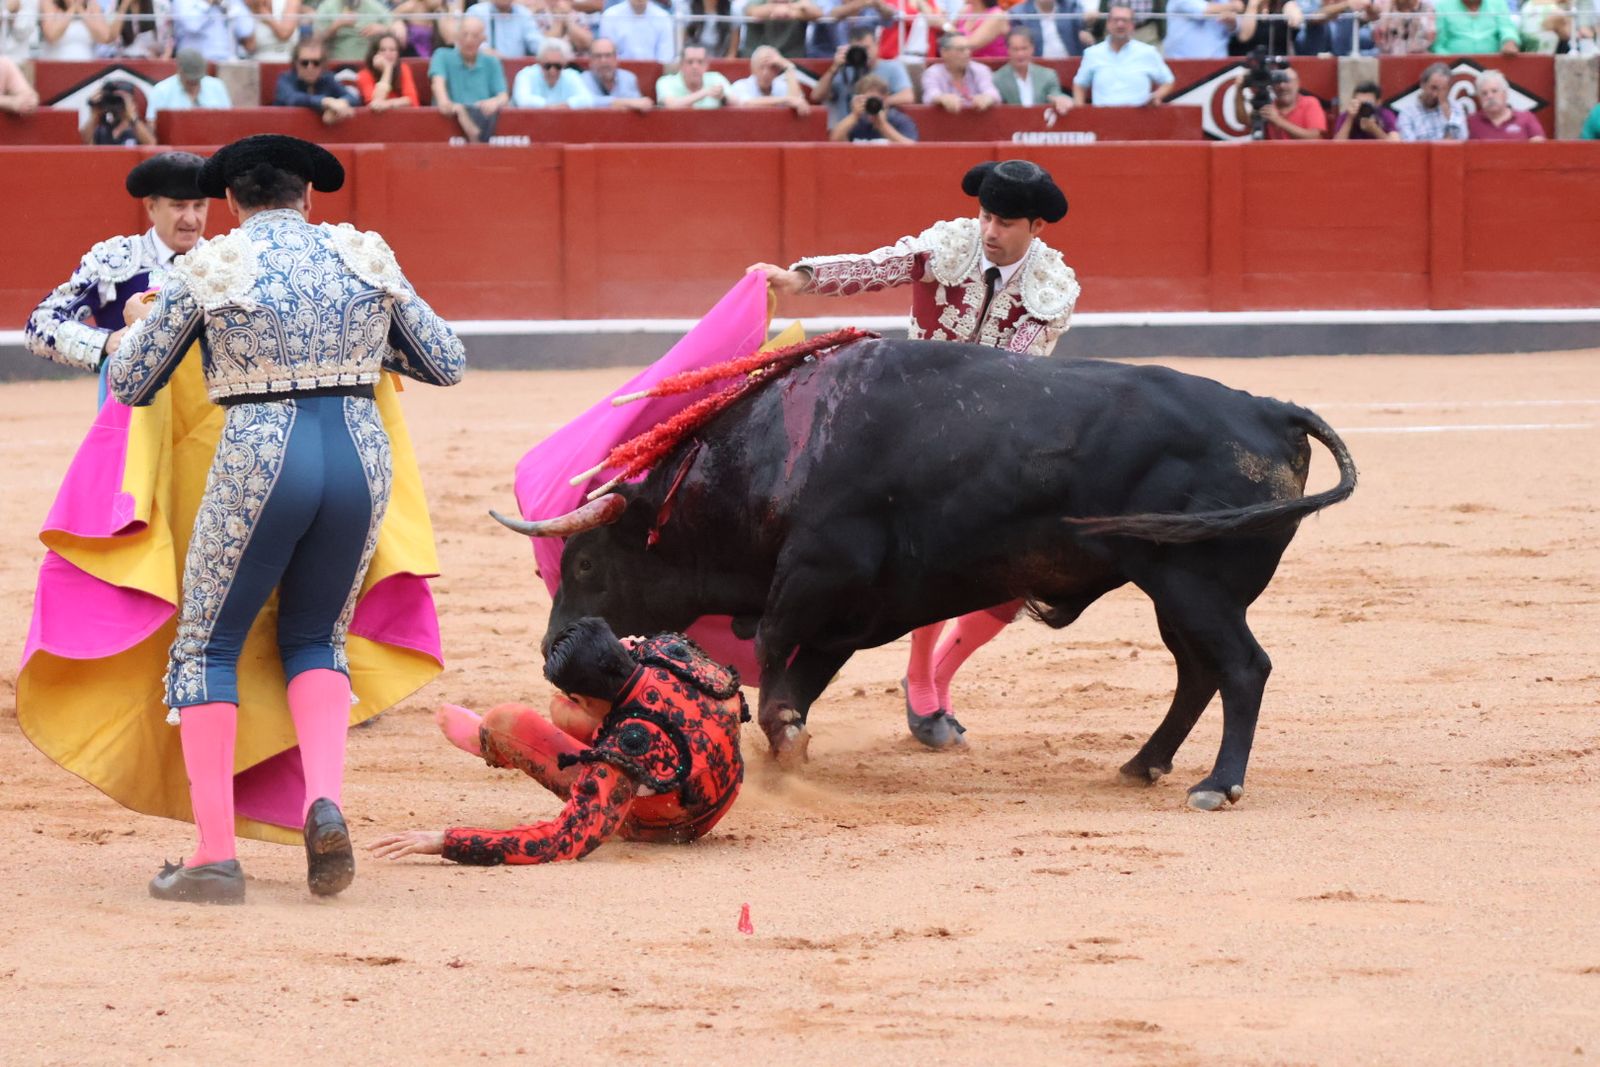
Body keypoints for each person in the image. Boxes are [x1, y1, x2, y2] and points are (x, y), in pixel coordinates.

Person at [107, 134, 465, 904]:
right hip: (360, 454)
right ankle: (323, 801)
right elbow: (445, 361)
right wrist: (359, 338)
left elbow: (133, 380)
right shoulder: (363, 255)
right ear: (310, 195)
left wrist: (142, 320)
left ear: (232, 201)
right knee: (316, 635)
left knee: (207, 645)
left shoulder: (212, 264)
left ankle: (214, 855)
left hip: (261, 454)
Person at [747, 160, 1079, 748]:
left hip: (992, 433)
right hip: (905, 424)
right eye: (985, 216)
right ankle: (922, 681)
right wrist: (798, 278)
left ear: (1037, 227)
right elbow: (876, 266)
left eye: (1004, 223)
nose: (989, 231)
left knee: (1017, 573)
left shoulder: (1052, 288)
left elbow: (1015, 373)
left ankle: (935, 676)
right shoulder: (948, 246)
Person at [368, 620, 748, 865]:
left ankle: (492, 742)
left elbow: (563, 840)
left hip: (670, 825)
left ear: (585, 698)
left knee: (509, 722)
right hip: (724, 782)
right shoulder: (667, 650)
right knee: (562, 710)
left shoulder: (627, 747)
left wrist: (448, 841)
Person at [25, 152, 207, 403]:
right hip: (132, 412)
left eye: (199, 206)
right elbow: (40, 323)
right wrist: (104, 342)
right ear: (151, 207)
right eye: (179, 206)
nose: (191, 218)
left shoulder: (221, 262)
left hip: (204, 416)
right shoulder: (117, 260)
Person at [809, 24, 913, 125]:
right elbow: (816, 96)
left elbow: (907, 96)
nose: (864, 53)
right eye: (858, 50)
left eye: (867, 48)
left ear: (877, 45)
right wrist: (834, 68)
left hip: (879, 127)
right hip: (847, 130)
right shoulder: (845, 70)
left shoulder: (892, 67)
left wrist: (877, 102)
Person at [1071, 4, 1172, 107]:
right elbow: (1079, 84)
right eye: (1116, 20)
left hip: (1138, 115)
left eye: (1125, 20)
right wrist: (1080, 112)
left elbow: (1168, 81)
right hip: (1103, 115)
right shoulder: (1093, 53)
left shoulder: (1148, 52)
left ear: (1132, 25)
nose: (1120, 24)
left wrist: (1156, 96)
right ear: (1108, 23)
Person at [429, 15, 508, 139]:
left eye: (475, 36)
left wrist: (495, 102)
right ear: (457, 36)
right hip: (449, 126)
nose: (469, 40)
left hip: (485, 121)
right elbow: (440, 93)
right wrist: (455, 108)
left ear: (483, 39)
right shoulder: (441, 56)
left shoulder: (492, 62)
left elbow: (503, 96)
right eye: (464, 35)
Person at [274, 36, 361, 122]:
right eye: (304, 63)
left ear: (323, 64)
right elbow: (292, 99)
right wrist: (326, 102)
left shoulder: (327, 79)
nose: (310, 67)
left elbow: (353, 98)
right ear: (296, 63)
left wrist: (337, 106)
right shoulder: (285, 79)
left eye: (316, 63)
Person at [1230, 62, 1325, 138]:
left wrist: (1278, 120)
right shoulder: (1267, 105)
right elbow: (1243, 120)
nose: (1282, 86)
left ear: (1297, 83)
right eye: (1278, 81)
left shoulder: (1310, 103)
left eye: (1287, 81)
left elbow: (1314, 137)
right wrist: (1239, 90)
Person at [993, 28, 1072, 112]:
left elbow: (1055, 94)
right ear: (1008, 50)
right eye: (1015, 49)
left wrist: (1062, 100)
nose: (1020, 54)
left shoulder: (1048, 75)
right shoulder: (998, 78)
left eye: (1024, 48)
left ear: (1032, 49)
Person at [145, 46, 232, 120]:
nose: (194, 81)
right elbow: (153, 124)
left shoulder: (217, 86)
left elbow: (228, 119)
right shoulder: (161, 90)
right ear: (179, 69)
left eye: (197, 78)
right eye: (190, 78)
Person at [921, 33, 1001, 112]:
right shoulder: (933, 73)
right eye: (960, 50)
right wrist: (942, 98)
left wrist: (987, 98)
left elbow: (992, 92)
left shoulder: (980, 69)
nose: (967, 53)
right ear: (944, 52)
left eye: (968, 49)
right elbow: (930, 95)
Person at [829, 71, 917, 140]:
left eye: (876, 100)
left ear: (885, 98)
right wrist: (854, 115)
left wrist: (883, 126)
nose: (872, 105)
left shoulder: (899, 121)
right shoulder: (855, 123)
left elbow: (912, 148)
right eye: (868, 100)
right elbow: (835, 139)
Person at [728, 43, 811, 113]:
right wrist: (786, 100)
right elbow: (745, 103)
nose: (766, 73)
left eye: (771, 67)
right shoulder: (740, 85)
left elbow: (798, 103)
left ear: (778, 70)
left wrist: (788, 67)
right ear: (752, 69)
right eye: (761, 67)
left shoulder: (781, 85)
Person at [1466, 67, 1543, 139]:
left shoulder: (1527, 118)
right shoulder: (1471, 122)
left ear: (1505, 94)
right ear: (1479, 98)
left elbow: (1540, 145)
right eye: (1484, 93)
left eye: (1494, 91)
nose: (1490, 96)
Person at [1395, 60, 1465, 140]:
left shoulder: (1455, 108)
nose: (1435, 94)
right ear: (1423, 84)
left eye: (1442, 90)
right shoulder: (1408, 113)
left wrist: (1449, 116)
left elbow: (1463, 139)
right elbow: (1410, 145)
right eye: (1433, 88)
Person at [312, 0, 401, 61]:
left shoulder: (375, 7)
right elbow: (316, 40)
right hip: (336, 65)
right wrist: (336, 25)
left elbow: (399, 37)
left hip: (368, 65)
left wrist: (383, 30)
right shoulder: (328, 6)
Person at [581, 35, 653, 110]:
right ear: (590, 60)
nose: (603, 61)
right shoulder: (582, 79)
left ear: (616, 58)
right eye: (598, 56)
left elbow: (639, 104)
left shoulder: (628, 78)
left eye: (608, 55)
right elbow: (585, 102)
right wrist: (620, 102)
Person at [511, 41, 594, 105]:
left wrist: (564, 105)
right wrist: (551, 107)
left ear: (564, 64)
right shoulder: (526, 74)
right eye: (547, 66)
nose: (552, 70)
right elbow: (522, 101)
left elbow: (588, 100)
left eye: (558, 66)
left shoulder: (571, 75)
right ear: (539, 62)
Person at [81, 76, 157, 143]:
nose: (117, 105)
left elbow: (151, 144)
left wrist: (132, 117)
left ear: (132, 103)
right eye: (112, 100)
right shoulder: (101, 130)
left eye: (120, 100)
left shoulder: (138, 129)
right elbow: (83, 143)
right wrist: (94, 114)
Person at [170, 0, 254, 60]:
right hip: (196, 64)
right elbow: (192, 25)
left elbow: (246, 29)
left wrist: (227, 5)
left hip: (227, 62)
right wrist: (207, 3)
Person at [656, 43, 731, 107]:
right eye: (690, 62)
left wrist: (723, 97)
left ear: (706, 65)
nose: (695, 67)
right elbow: (671, 105)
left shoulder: (716, 78)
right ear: (681, 65)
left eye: (700, 62)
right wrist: (704, 92)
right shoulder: (665, 82)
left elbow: (737, 103)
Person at [596, 0, 674, 61]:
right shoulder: (610, 15)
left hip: (655, 72)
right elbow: (607, 53)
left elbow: (665, 57)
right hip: (618, 73)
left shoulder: (663, 17)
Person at [1009, 0, 1091, 58]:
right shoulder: (1018, 14)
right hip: (1037, 70)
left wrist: (1086, 28)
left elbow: (1083, 24)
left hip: (1071, 66)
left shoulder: (1072, 6)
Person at [358, 31, 419, 106]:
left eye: (392, 50)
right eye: (382, 50)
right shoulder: (364, 75)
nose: (388, 54)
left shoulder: (403, 68)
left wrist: (388, 104)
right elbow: (376, 104)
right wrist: (387, 69)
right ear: (374, 54)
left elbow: (412, 101)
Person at [38, 0, 115, 59]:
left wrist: (82, 12)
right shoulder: (50, 3)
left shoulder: (92, 5)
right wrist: (73, 8)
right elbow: (51, 35)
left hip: (87, 67)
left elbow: (105, 37)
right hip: (56, 67)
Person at [1430, 0, 1517, 52]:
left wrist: (1509, 40)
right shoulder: (1443, 5)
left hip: (1493, 66)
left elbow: (1506, 27)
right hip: (1453, 68)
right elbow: (1438, 46)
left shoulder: (1498, 3)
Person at [1164, 0, 1241, 57]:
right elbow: (1203, 10)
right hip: (1182, 63)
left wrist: (1231, 23)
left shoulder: (1224, 2)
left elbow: (1237, 29)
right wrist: (1234, 6)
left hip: (1218, 65)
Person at [463, 0, 542, 55]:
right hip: (485, 67)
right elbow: (465, 40)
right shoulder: (476, 12)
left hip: (516, 68)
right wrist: (484, 51)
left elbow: (535, 42)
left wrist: (546, 50)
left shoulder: (524, 13)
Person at [1330, 78, 1398, 139]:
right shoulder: (1347, 116)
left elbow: (1396, 144)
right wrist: (1350, 118)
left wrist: (1375, 130)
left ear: (1378, 102)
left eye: (1367, 103)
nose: (1363, 107)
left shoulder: (1385, 115)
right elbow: (1337, 146)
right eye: (1360, 103)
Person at [1370, 0, 1435, 52]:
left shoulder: (1425, 6)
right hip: (1389, 52)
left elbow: (1430, 36)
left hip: (1417, 52)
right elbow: (1381, 32)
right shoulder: (1385, 5)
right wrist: (1388, 7)